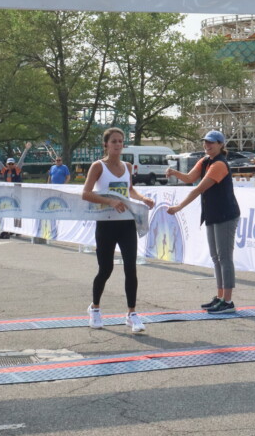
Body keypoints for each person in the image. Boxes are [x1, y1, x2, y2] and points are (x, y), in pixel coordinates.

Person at [81, 127, 154, 333]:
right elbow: (86, 193)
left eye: (121, 141)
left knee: (131, 267)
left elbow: (129, 189)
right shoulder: (98, 166)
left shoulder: (127, 166)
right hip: (106, 222)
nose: (118, 145)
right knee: (106, 269)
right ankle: (95, 308)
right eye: (114, 141)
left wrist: (142, 198)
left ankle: (131, 314)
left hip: (126, 222)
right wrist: (110, 201)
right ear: (106, 145)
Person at [165, 130, 241, 314]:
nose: (207, 146)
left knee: (224, 258)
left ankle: (228, 301)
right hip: (212, 214)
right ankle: (220, 296)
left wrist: (178, 207)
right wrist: (175, 172)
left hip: (225, 214)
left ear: (221, 145)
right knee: (216, 257)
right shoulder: (205, 161)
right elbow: (190, 178)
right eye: (205, 142)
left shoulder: (219, 164)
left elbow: (198, 189)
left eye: (211, 143)